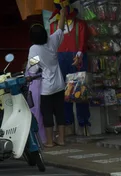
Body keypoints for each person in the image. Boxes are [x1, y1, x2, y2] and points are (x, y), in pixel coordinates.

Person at [28, 8, 67, 147]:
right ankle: (61, 140)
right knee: (60, 113)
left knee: (47, 115)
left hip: (46, 87)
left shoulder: (34, 49)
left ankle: (50, 142)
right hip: (59, 84)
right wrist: (62, 14)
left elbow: (32, 69)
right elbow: (60, 29)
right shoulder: (52, 41)